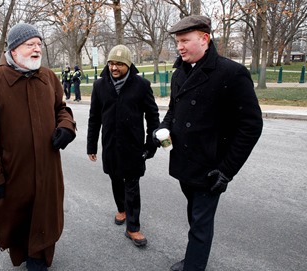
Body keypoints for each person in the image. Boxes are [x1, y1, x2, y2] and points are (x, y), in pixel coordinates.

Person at [152, 15, 263, 271]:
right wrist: (163, 127)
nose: (179, 47)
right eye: (177, 41)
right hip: (184, 164)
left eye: (184, 41)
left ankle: (194, 265)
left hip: (211, 168)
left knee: (201, 224)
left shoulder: (232, 73)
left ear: (204, 39)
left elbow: (251, 126)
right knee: (194, 217)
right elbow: (173, 111)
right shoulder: (180, 72)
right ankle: (193, 257)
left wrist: (227, 170)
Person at [0, 23, 76, 271]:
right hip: (14, 171)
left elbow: (61, 109)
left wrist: (66, 127)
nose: (36, 49)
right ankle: (26, 254)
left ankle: (38, 258)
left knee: (46, 213)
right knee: (20, 217)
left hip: (48, 167)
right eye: (30, 44)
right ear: (14, 49)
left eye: (39, 44)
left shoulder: (48, 77)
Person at [87, 44, 160, 247]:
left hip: (133, 146)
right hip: (110, 144)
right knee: (115, 179)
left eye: (119, 64)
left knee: (132, 185)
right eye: (111, 63)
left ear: (128, 64)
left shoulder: (142, 85)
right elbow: (94, 119)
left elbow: (153, 117)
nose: (114, 68)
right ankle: (121, 209)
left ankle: (133, 228)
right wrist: (91, 146)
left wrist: (150, 144)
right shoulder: (99, 86)